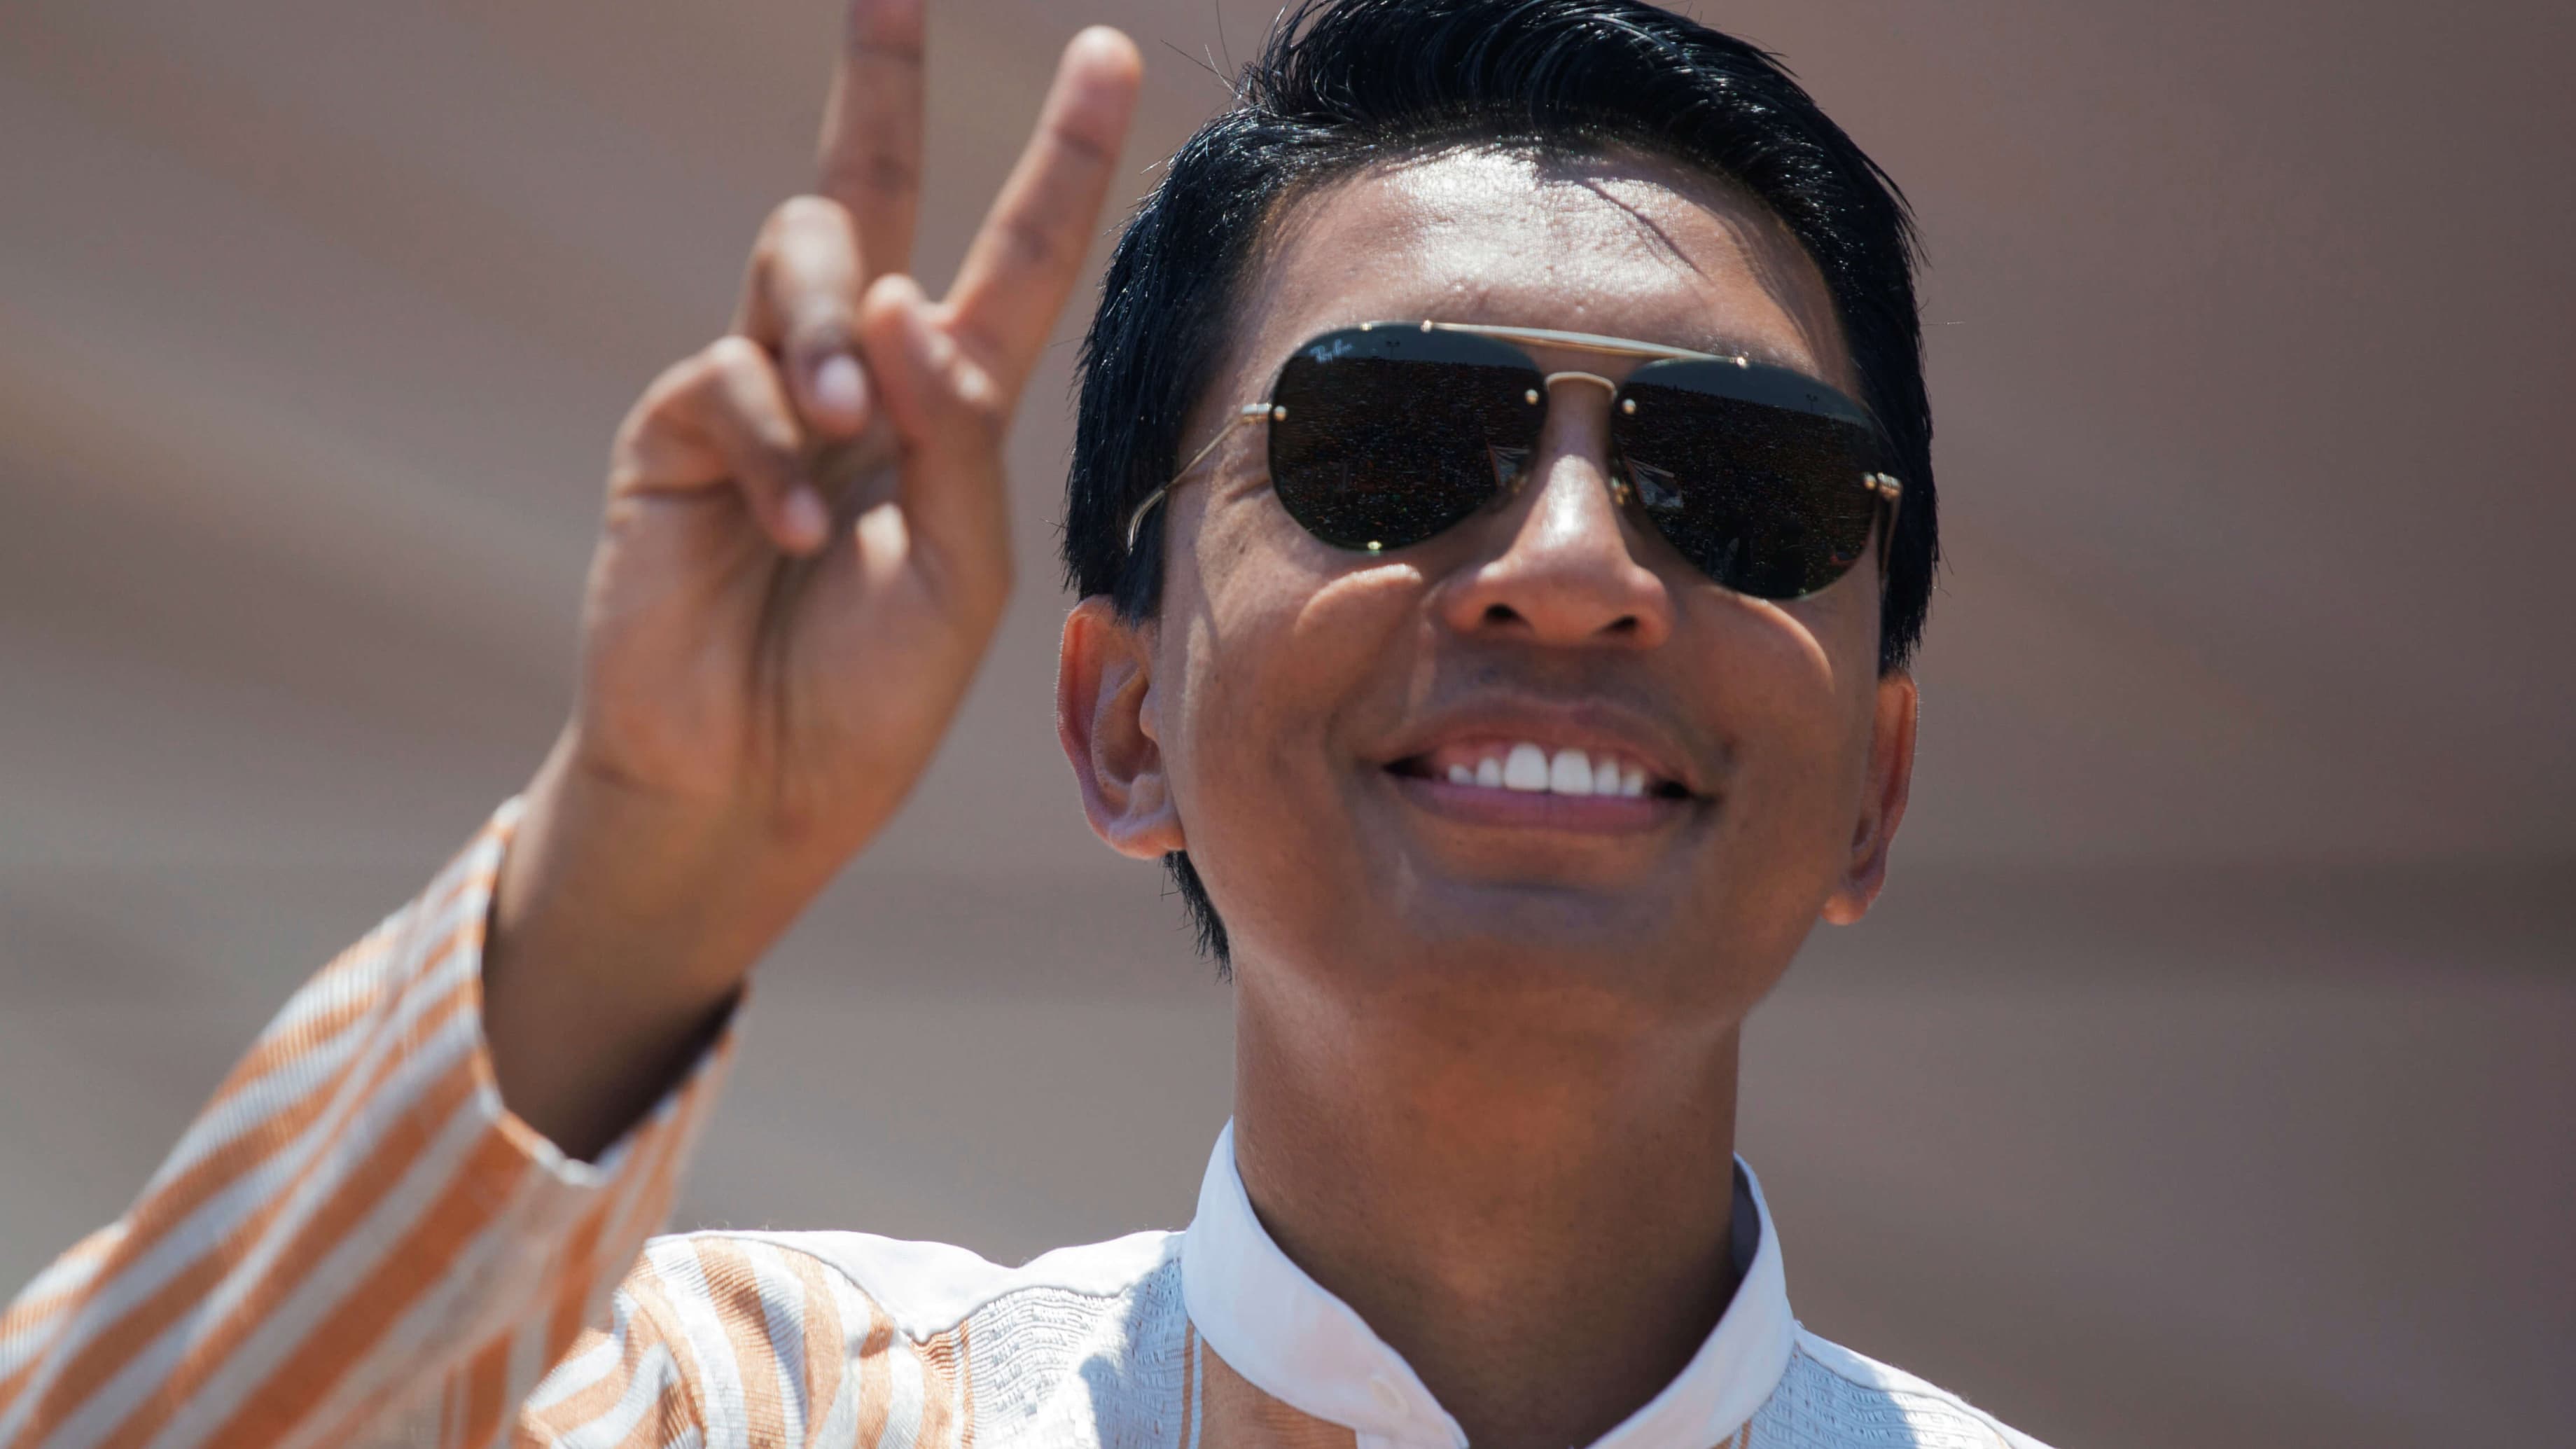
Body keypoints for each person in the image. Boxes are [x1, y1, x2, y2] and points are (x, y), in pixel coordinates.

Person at [0, 0, 2053, 1444]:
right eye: (1393, 446)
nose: (1576, 559)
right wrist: (647, 853)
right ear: (1122, 717)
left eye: (1745, 487)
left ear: (1876, 788)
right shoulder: (757, 1411)